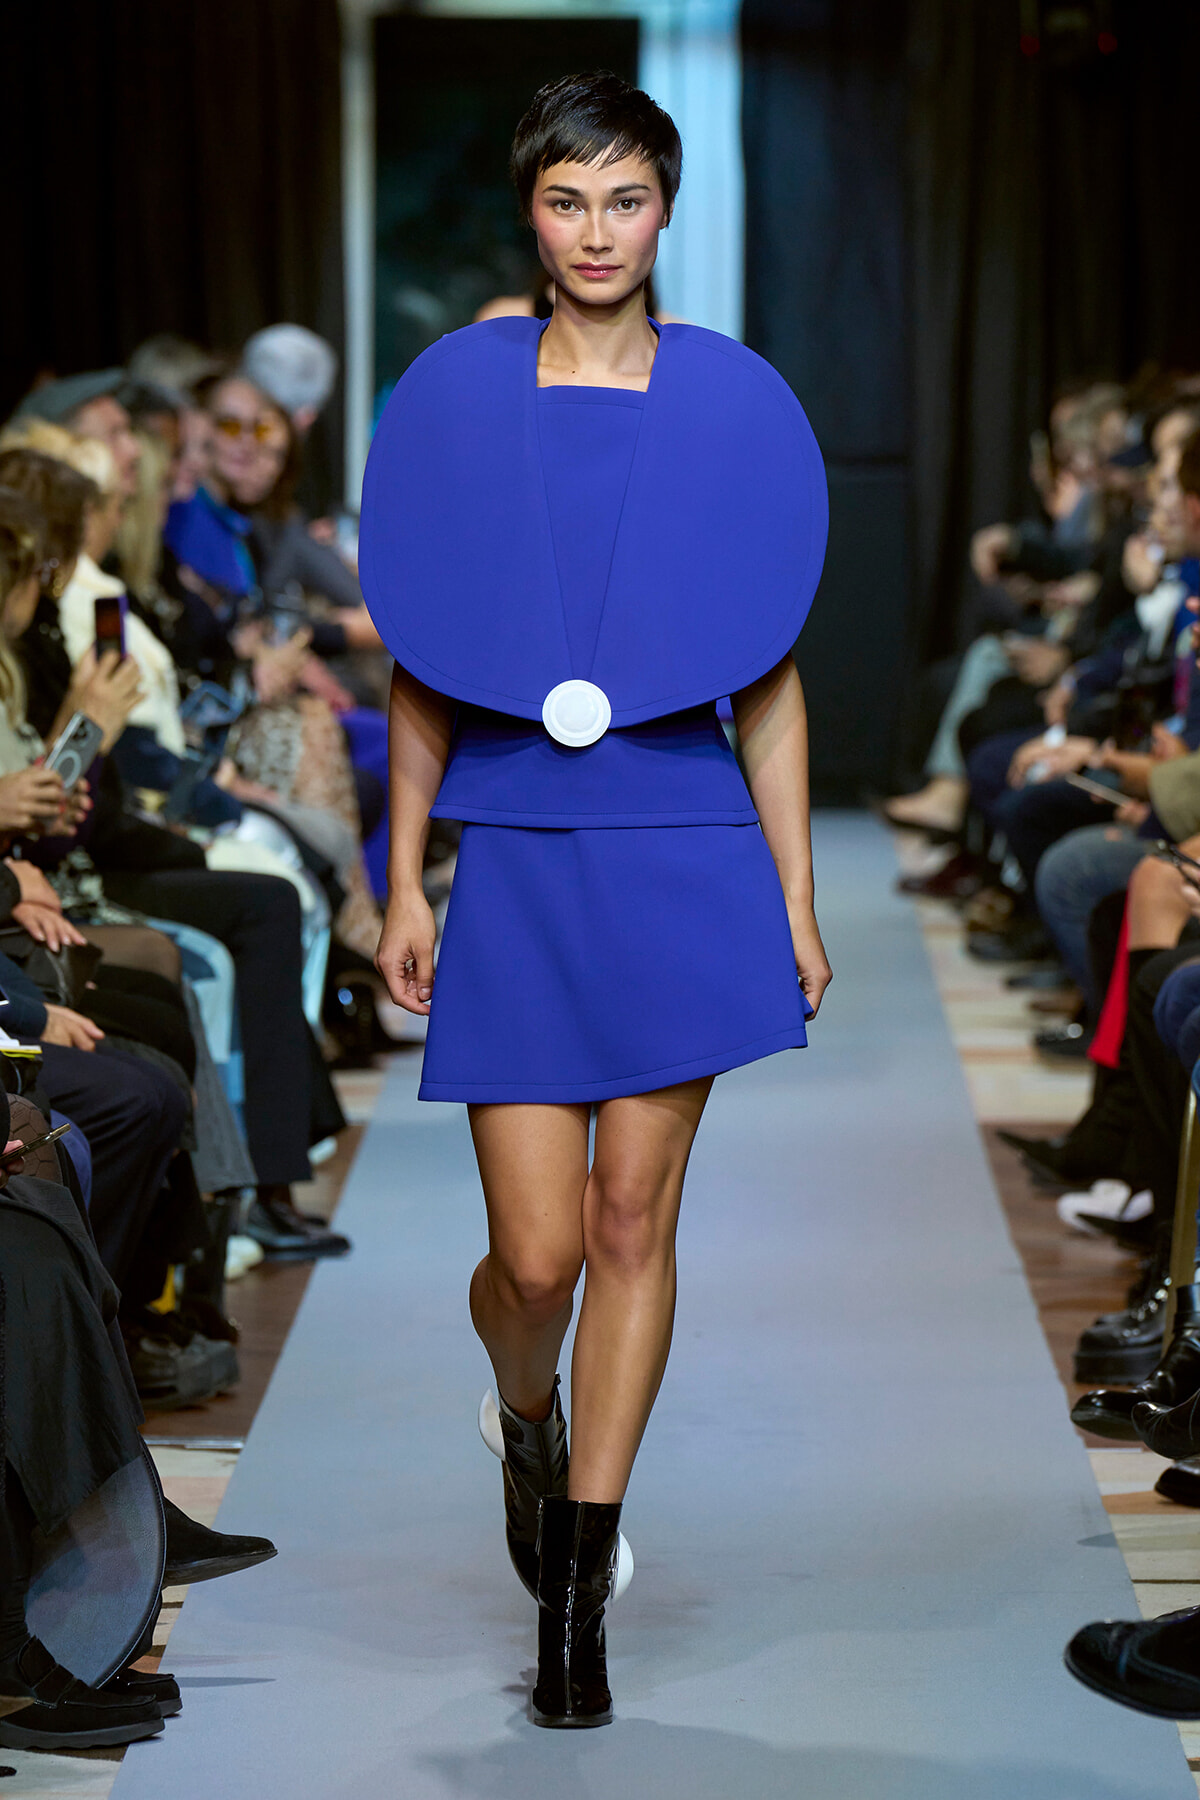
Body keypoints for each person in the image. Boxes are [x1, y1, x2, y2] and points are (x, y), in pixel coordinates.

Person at [365, 72, 831, 1728]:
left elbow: (765, 680)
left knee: (636, 1222)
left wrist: (792, 895)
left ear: (666, 209)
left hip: (683, 840)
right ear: (532, 212)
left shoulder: (730, 406)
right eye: (568, 201)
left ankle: (578, 1585)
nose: (596, 232)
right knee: (539, 1257)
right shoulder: (459, 399)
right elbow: (427, 659)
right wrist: (400, 877)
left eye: (624, 200)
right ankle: (522, 1413)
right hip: (517, 850)